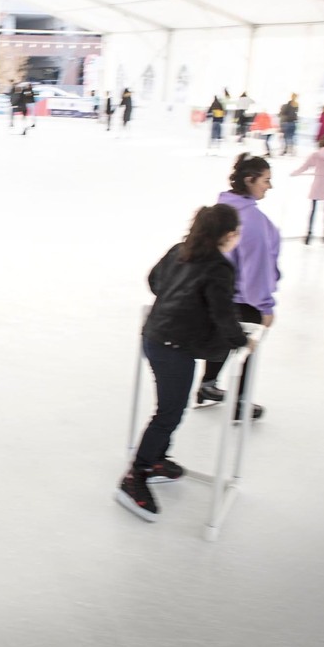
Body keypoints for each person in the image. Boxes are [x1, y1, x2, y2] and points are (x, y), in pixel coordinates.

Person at [116, 204, 249, 522]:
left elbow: (154, 281)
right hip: (173, 347)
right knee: (169, 412)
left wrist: (178, 303)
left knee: (172, 407)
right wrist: (242, 341)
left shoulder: (180, 250)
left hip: (155, 337)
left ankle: (157, 458)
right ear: (229, 235)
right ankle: (136, 475)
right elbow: (222, 314)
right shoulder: (219, 267)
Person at [197, 154, 280, 421]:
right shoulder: (252, 222)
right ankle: (240, 402)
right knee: (246, 347)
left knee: (221, 340)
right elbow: (257, 268)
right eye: (266, 180)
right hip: (244, 299)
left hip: (217, 293)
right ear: (249, 180)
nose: (269, 186)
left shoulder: (222, 208)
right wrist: (265, 305)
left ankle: (207, 385)